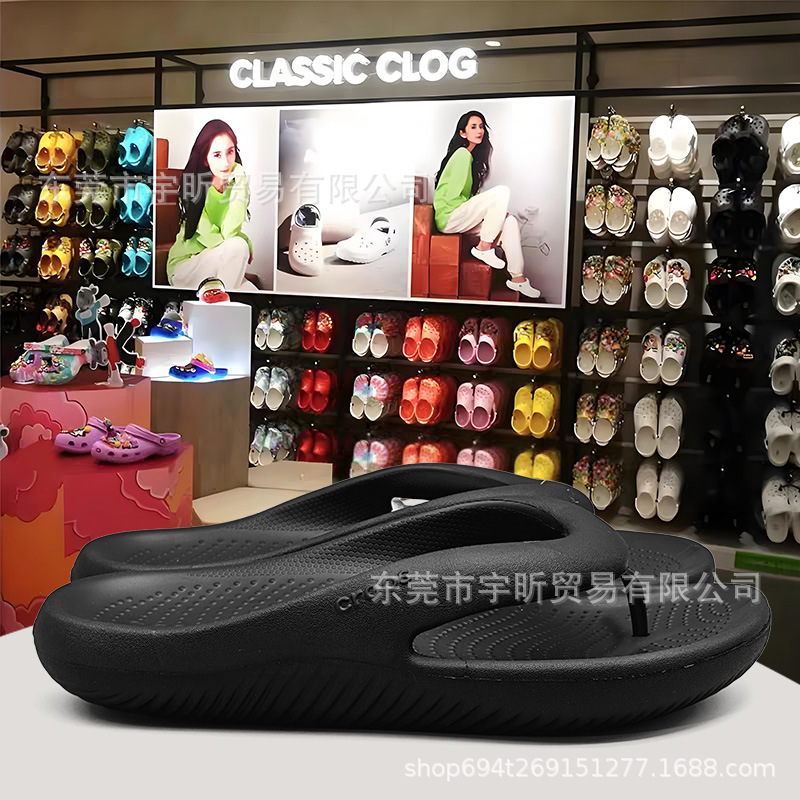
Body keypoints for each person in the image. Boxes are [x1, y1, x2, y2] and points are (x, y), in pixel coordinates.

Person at [433, 111, 540, 299]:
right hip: (449, 215)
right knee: (501, 192)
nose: (479, 131)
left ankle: (517, 278)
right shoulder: (461, 155)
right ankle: (484, 247)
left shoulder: (471, 158)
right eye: (473, 127)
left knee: (510, 221)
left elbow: (469, 198)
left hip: (460, 216)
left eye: (481, 126)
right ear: (462, 133)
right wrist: (483, 213)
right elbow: (451, 197)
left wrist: (493, 216)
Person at [167, 119, 256, 291]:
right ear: (205, 158)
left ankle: (219, 300)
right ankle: (220, 303)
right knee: (239, 245)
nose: (226, 162)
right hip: (186, 266)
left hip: (215, 264)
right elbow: (215, 239)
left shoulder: (234, 185)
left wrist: (241, 181)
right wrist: (244, 240)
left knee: (251, 291)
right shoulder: (193, 187)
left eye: (230, 152)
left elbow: (228, 232)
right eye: (217, 155)